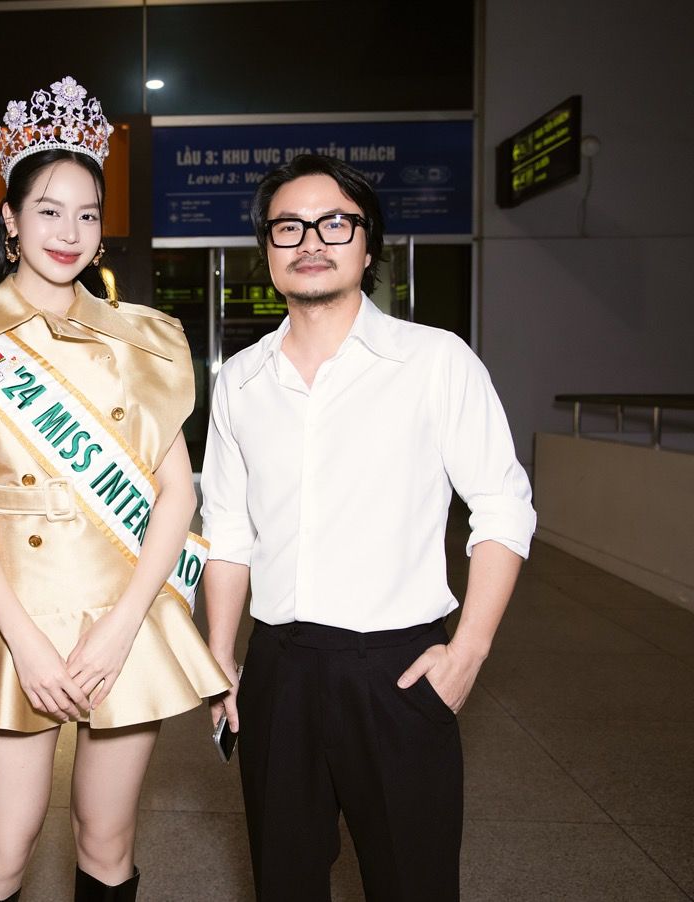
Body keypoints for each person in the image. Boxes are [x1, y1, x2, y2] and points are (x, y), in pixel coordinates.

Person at [0, 76, 229, 902]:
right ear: (9, 218)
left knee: (108, 841)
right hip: (21, 615)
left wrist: (123, 630)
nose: (70, 232)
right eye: (48, 209)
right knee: (3, 849)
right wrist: (26, 643)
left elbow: (175, 496)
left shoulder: (148, 339)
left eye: (87, 213)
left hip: (125, 611)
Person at [200, 154, 537, 901]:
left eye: (334, 223)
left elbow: (504, 505)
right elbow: (226, 528)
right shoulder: (241, 382)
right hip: (279, 668)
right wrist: (221, 655)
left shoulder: (433, 362)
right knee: (283, 882)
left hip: (398, 668)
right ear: (266, 248)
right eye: (288, 226)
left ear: (367, 241)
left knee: (410, 882)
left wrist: (468, 653)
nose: (310, 240)